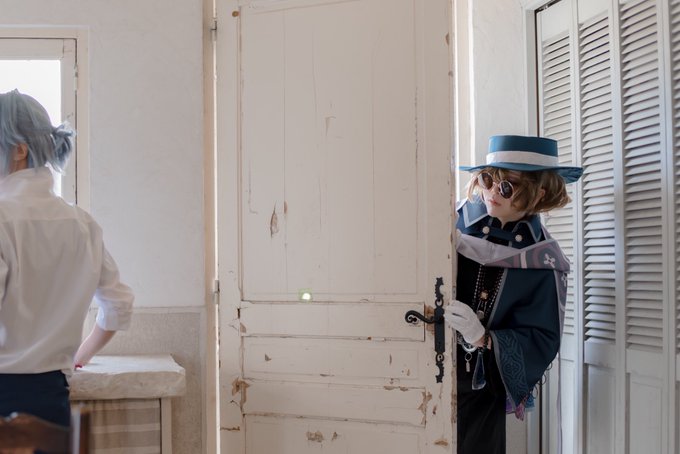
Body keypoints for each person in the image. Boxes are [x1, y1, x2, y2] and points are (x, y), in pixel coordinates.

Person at [0, 89, 134, 428]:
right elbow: (119, 305)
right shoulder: (81, 223)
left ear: (19, 150)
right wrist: (78, 357)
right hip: (52, 397)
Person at [445, 134, 582, 453]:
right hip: (425, 371)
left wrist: (483, 338)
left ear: (539, 192)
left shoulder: (543, 260)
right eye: (488, 179)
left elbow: (542, 338)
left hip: (480, 392)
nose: (492, 192)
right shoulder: (449, 220)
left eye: (507, 186)